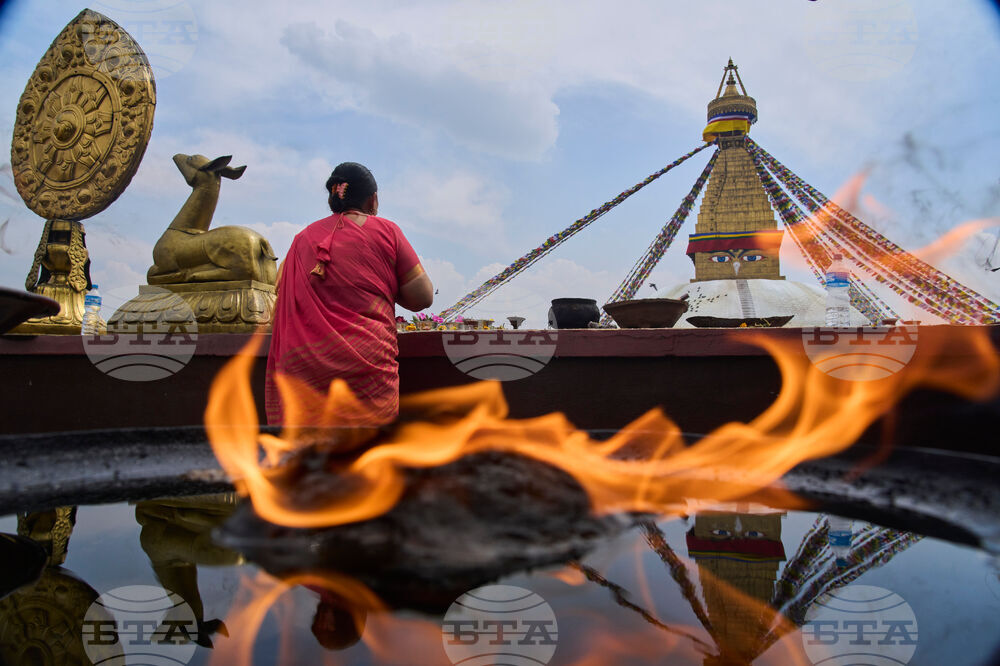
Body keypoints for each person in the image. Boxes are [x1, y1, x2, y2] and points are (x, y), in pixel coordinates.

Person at [266, 162, 433, 426]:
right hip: (366, 372)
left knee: (309, 458)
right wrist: (384, 280)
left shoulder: (301, 240)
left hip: (305, 373)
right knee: (366, 454)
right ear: (373, 200)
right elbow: (422, 297)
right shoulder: (387, 231)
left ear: (333, 199)